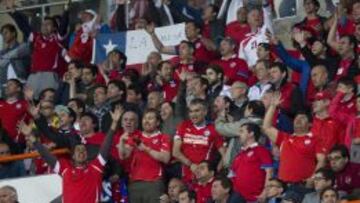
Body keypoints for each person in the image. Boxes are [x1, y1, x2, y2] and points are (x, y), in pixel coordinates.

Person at [20, 106, 122, 203]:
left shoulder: (96, 166)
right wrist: (32, 136)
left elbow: (106, 147)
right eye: (78, 150)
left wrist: (114, 123)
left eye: (83, 151)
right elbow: (46, 154)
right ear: (72, 155)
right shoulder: (65, 167)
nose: (81, 152)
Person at [262, 92, 326, 183]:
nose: (298, 120)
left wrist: (313, 179)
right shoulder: (284, 138)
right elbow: (266, 127)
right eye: (296, 118)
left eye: (302, 118)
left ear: (310, 124)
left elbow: (322, 160)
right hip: (283, 185)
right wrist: (273, 106)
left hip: (302, 185)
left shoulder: (315, 139)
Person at [118, 109, 171, 203]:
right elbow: (124, 156)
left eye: (150, 118)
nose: (146, 121)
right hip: (134, 183)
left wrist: (146, 149)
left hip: (154, 183)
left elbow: (165, 158)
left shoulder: (164, 137)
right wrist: (121, 142)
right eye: (145, 118)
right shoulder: (136, 136)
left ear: (158, 122)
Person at [173, 99, 225, 183]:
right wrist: (191, 165)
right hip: (186, 177)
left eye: (197, 111)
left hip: (205, 179)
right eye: (191, 111)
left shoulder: (213, 129)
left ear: (205, 112)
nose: (193, 115)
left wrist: (217, 170)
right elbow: (175, 152)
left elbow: (224, 154)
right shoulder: (183, 126)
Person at [230, 123, 273, 202]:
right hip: (236, 198)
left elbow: (269, 171)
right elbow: (232, 176)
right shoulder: (238, 155)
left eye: (242, 131)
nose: (239, 134)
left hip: (254, 199)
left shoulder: (261, 150)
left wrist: (265, 192)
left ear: (251, 134)